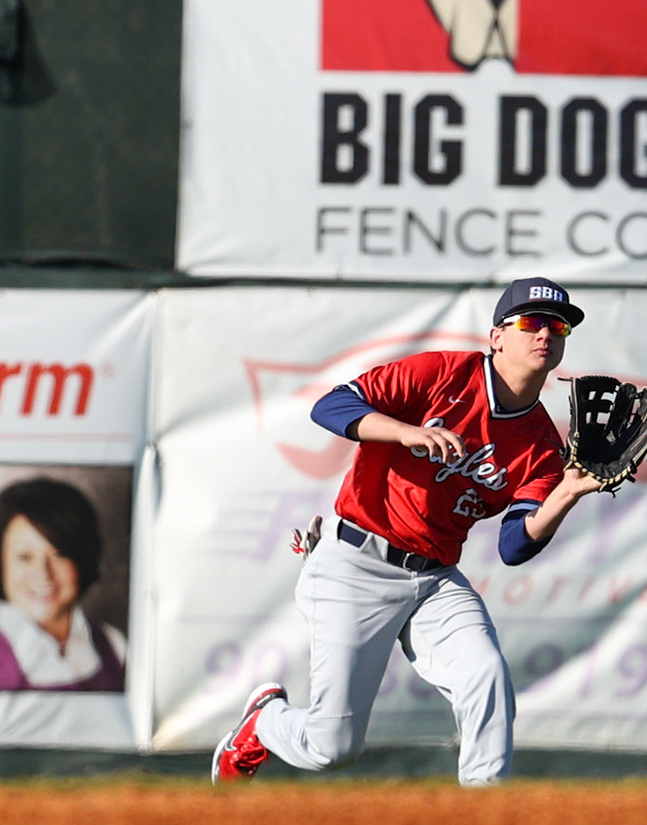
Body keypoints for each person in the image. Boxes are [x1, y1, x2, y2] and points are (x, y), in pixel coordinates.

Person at [213, 277, 604, 785]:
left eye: (557, 326)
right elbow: (330, 406)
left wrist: (566, 494)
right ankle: (263, 722)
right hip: (356, 561)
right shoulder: (440, 373)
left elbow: (513, 545)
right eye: (530, 322)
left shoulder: (543, 446)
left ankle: (486, 820)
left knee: (485, 673)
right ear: (496, 337)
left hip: (436, 580)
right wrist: (405, 430)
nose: (545, 335)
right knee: (332, 748)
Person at [0, 476, 127, 693]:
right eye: (24, 557)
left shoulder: (114, 645)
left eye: (59, 554)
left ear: (82, 558)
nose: (43, 574)